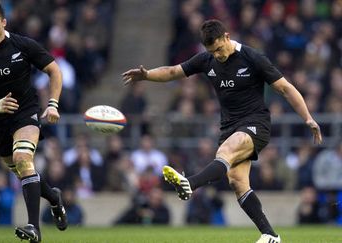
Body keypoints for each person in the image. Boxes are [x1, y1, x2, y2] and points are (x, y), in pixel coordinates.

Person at [122, 19, 322, 243]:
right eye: (211, 51)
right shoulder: (207, 60)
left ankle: (191, 183)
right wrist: (147, 74)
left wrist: (308, 118)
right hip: (229, 126)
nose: (217, 55)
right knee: (237, 181)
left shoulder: (252, 58)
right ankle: (271, 236)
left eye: (219, 48)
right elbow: (172, 72)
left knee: (225, 151)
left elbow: (285, 88)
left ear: (227, 37)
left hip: (256, 124)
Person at [0, 1, 67, 242]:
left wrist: (53, 104)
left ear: (3, 22)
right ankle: (54, 197)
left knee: (23, 159)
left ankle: (33, 228)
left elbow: (55, 70)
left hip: (25, 112)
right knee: (23, 171)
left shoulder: (23, 44)